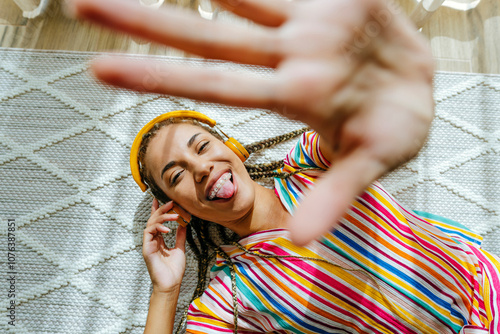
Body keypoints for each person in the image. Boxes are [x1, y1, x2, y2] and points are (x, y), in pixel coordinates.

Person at [67, 0, 500, 333]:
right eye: (177, 175)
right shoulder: (227, 298)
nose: (200, 168)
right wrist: (165, 291)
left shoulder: (309, 163)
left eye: (201, 146)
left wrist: (373, 105)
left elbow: (347, 131)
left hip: (488, 285)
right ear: (176, 209)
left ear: (234, 148)